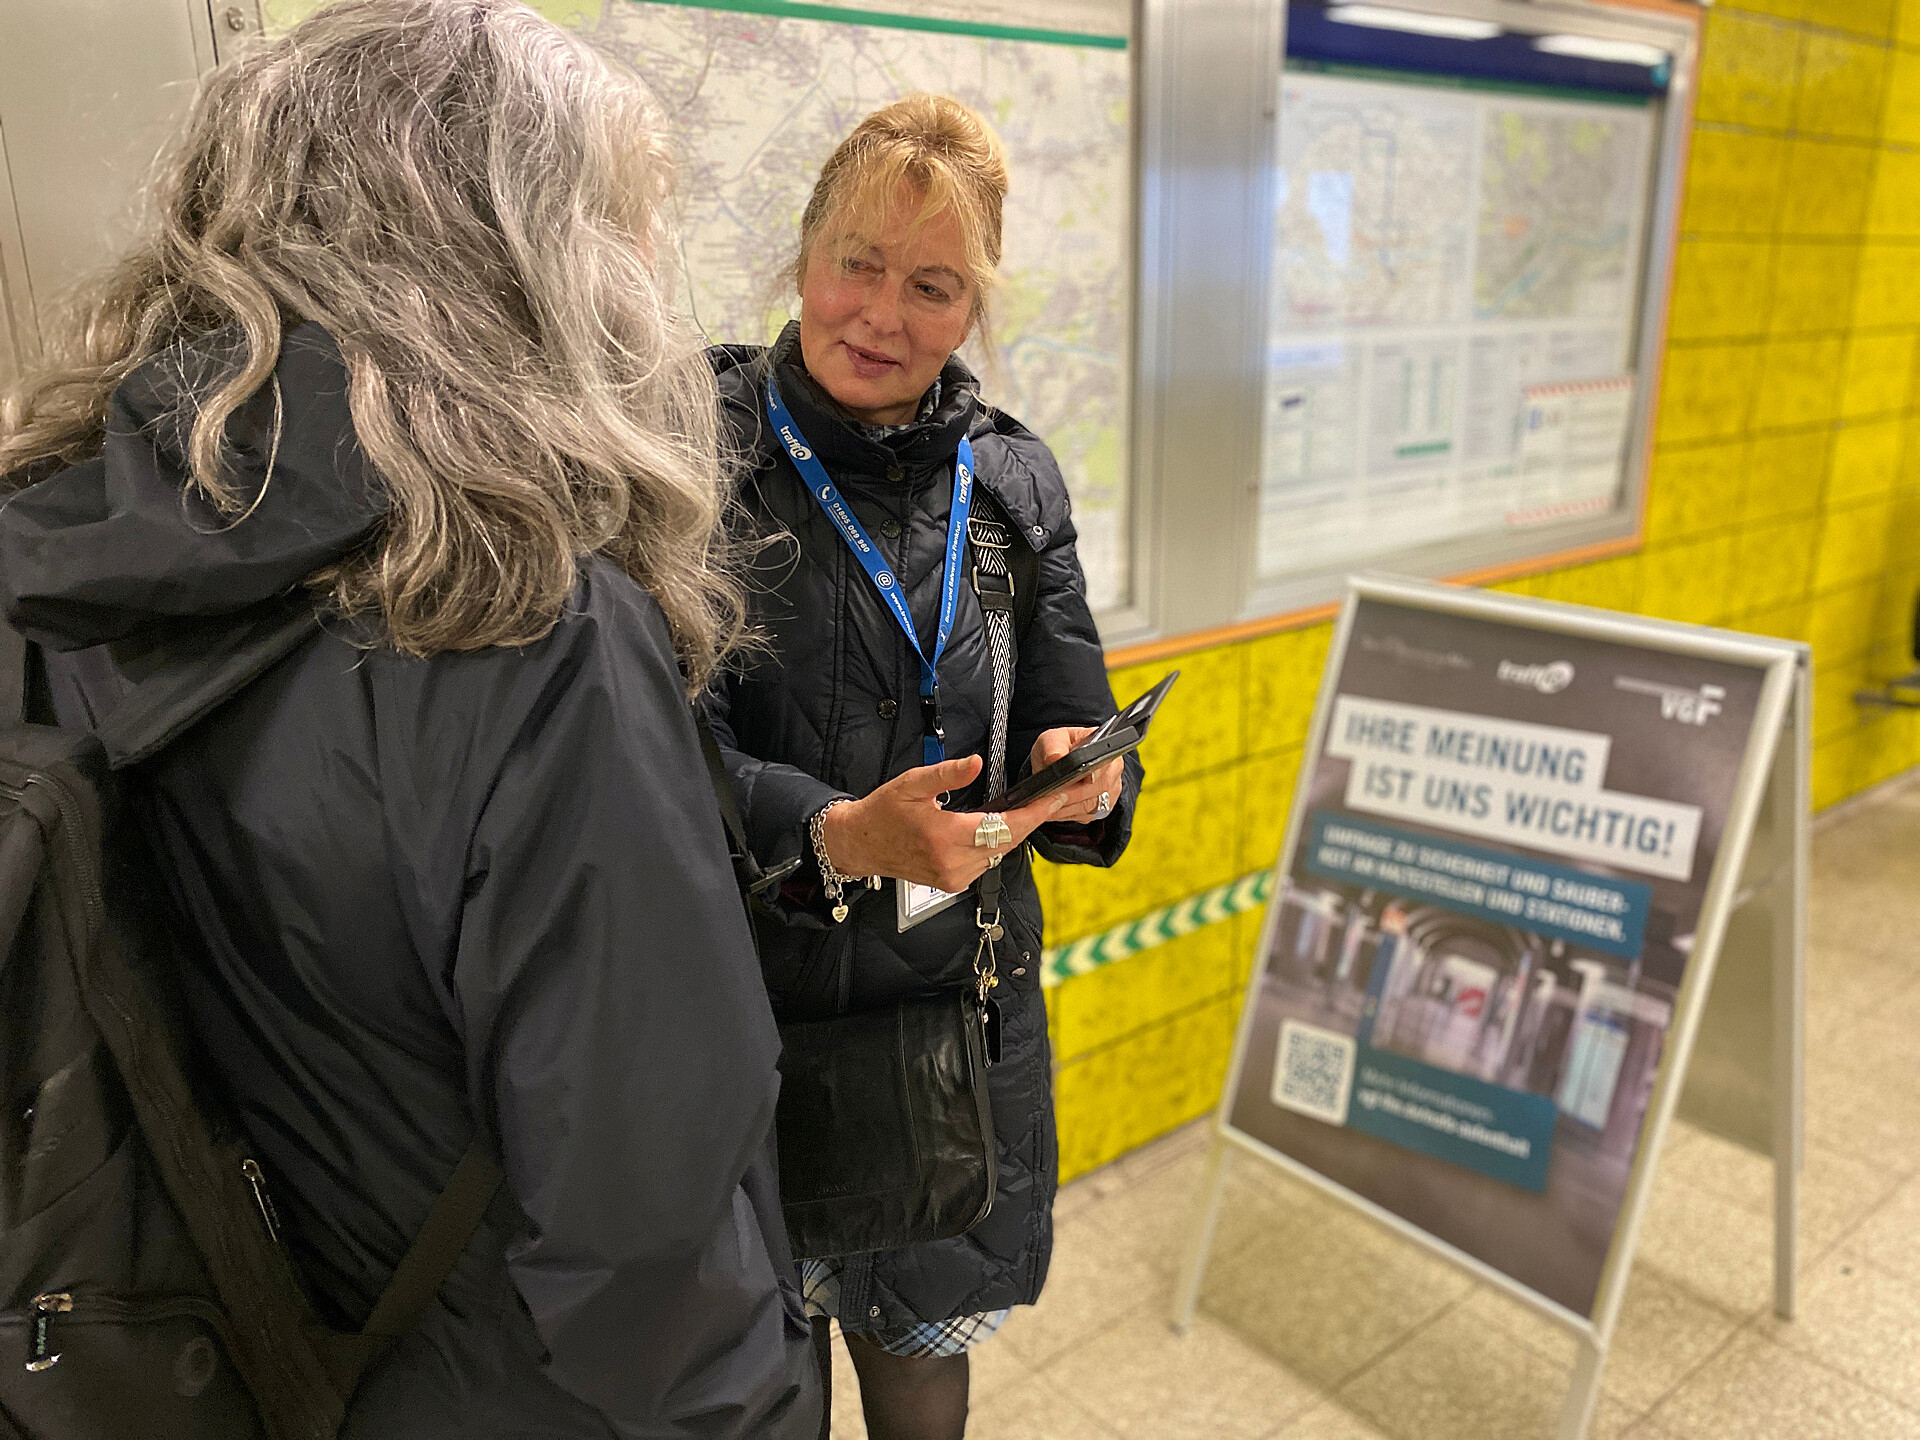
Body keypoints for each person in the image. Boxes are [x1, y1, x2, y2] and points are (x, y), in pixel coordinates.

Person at [0, 2, 819, 1435]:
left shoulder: (51, 546)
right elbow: (656, 1264)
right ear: (523, 258)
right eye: (627, 229)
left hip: (203, 1353)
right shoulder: (527, 628)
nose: (650, 284)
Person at [704, 95, 1142, 1439]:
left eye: (931, 284)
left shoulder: (1012, 481)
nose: (880, 314)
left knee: (918, 1379)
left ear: (973, 310)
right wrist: (833, 831)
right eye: (857, 262)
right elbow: (642, 748)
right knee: (748, 1382)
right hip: (737, 1023)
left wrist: (1087, 776)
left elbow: (1072, 712)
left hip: (953, 1026)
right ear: (801, 257)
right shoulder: (692, 452)